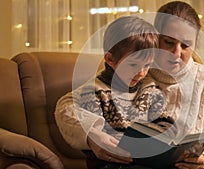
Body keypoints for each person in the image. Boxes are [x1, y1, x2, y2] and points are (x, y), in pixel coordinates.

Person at [54, 16, 169, 169]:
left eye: (147, 65)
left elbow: (164, 121)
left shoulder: (149, 87)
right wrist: (92, 134)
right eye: (133, 64)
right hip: (113, 163)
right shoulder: (94, 91)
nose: (141, 72)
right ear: (110, 59)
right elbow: (65, 107)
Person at [141, 1, 204, 169]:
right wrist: (93, 138)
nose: (177, 53)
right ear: (156, 38)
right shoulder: (136, 69)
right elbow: (75, 107)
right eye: (169, 42)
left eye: (186, 45)